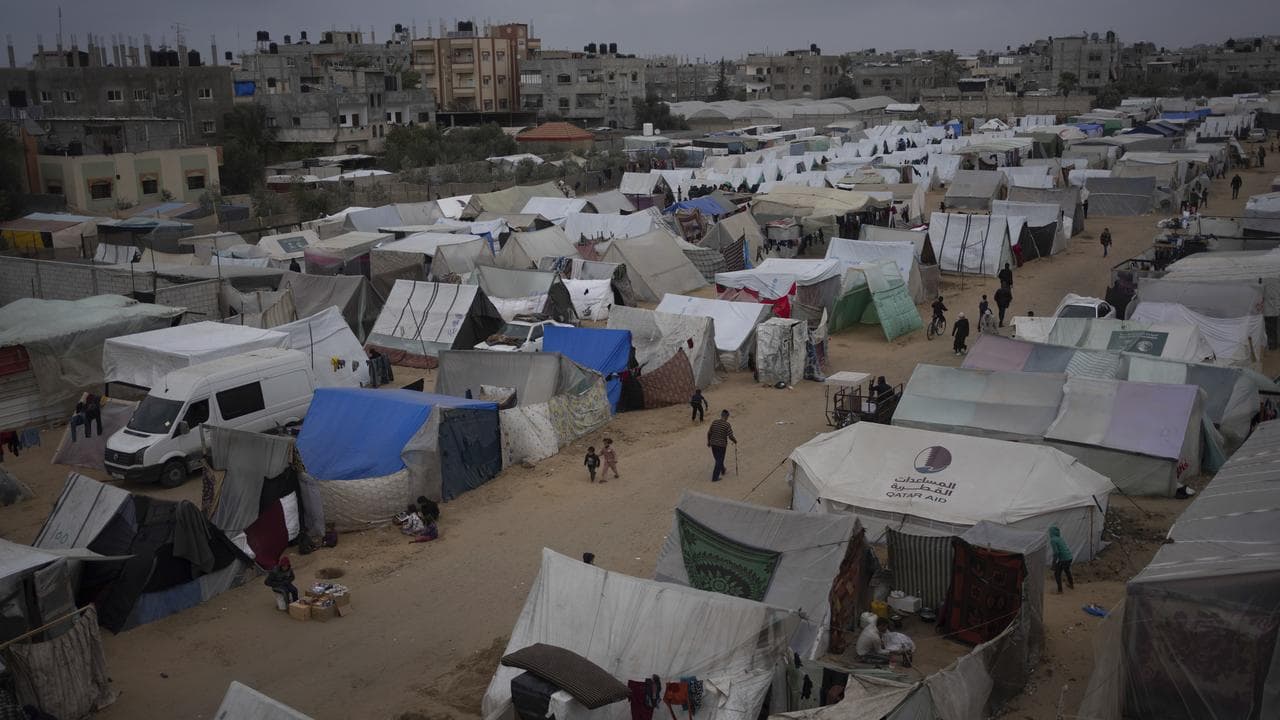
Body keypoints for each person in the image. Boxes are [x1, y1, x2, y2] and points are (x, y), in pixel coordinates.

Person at [707, 410, 737, 483]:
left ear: (721, 415)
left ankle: (723, 470)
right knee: (719, 460)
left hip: (713, 444)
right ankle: (715, 477)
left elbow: (709, 433)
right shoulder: (727, 424)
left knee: (718, 458)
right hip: (721, 445)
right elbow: (730, 436)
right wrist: (735, 441)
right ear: (726, 416)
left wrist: (709, 441)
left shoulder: (714, 422)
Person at [1050, 525, 1074, 593]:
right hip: (1069, 557)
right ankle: (1071, 584)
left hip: (1064, 559)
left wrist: (1053, 564)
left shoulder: (1053, 540)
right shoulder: (1059, 538)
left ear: (1051, 532)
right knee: (1067, 570)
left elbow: (1056, 553)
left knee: (1057, 573)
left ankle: (1060, 590)